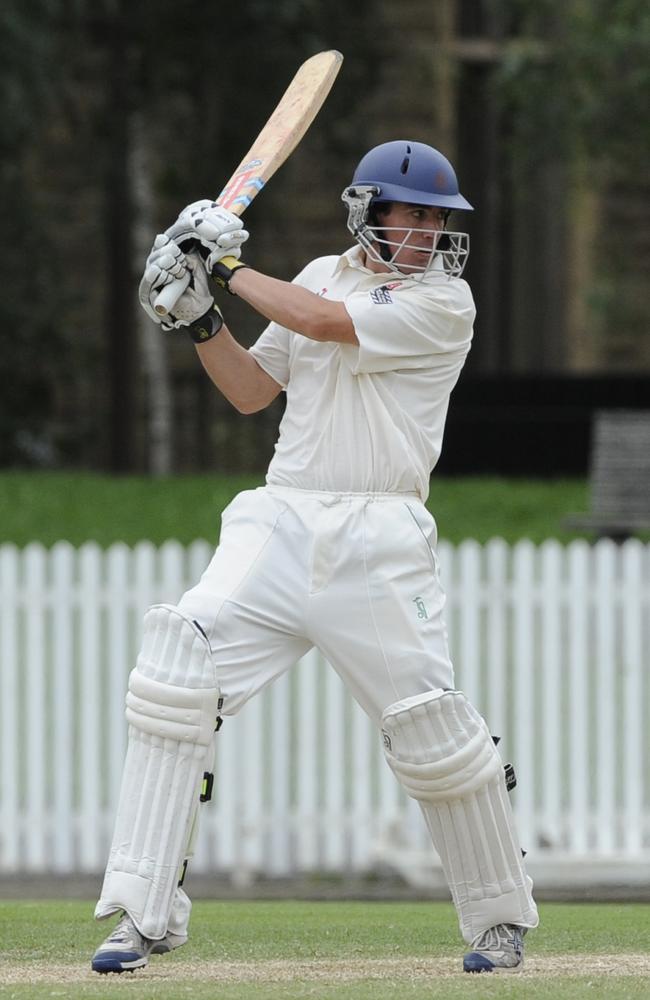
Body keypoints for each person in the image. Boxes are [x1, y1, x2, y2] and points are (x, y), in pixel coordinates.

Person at [91, 140, 538, 976]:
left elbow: (325, 325)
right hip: (281, 519)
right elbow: (254, 390)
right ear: (369, 212)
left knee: (432, 731)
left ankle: (499, 920)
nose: (435, 230)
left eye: (443, 218)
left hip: (381, 537)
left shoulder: (446, 303)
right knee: (174, 668)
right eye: (417, 213)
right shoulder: (319, 274)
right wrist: (202, 320)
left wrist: (221, 263)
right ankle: (138, 912)